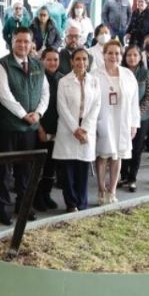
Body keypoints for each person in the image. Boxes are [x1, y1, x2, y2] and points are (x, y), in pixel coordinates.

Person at [0, 27, 49, 225]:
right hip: (9, 128)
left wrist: (39, 113)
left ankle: (24, 206)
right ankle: (3, 209)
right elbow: (4, 95)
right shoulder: (2, 65)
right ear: (12, 42)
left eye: (26, 41)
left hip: (30, 130)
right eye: (19, 41)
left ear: (32, 43)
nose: (23, 45)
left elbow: (45, 92)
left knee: (26, 172)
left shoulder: (37, 65)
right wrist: (24, 115)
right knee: (5, 172)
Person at [53, 48, 101, 211]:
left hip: (86, 128)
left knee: (82, 169)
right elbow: (62, 108)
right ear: (72, 61)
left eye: (84, 59)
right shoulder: (64, 81)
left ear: (88, 62)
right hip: (68, 129)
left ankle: (82, 202)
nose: (81, 62)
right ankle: (71, 204)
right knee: (68, 170)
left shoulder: (94, 81)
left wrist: (85, 129)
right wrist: (75, 129)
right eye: (78, 59)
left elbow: (96, 105)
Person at [93, 40, 140, 203]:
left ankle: (112, 191)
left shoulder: (128, 75)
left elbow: (134, 102)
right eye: (110, 53)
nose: (114, 56)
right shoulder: (95, 75)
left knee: (117, 156)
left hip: (122, 120)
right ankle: (100, 189)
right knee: (102, 156)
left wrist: (134, 123)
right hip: (103, 120)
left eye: (117, 53)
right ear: (103, 55)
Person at [122, 45, 149, 192]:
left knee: (136, 149)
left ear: (140, 57)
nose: (132, 58)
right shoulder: (120, 72)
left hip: (142, 117)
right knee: (123, 147)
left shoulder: (146, 72)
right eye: (129, 55)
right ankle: (122, 175)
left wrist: (136, 114)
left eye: (135, 55)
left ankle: (132, 178)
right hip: (122, 117)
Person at [34, 48, 63, 211]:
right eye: (49, 59)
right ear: (42, 60)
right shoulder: (37, 78)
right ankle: (36, 197)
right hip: (41, 129)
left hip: (58, 129)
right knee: (39, 166)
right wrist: (40, 129)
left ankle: (46, 194)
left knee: (52, 166)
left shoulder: (62, 79)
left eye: (56, 60)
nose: (53, 63)